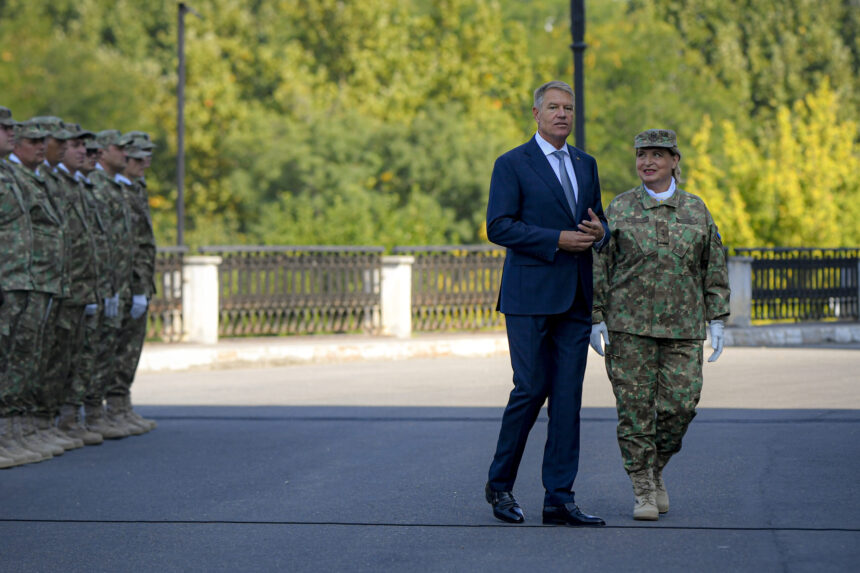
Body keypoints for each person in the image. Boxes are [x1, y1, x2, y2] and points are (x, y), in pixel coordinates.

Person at [484, 80, 610, 527]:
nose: (562, 114)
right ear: (536, 114)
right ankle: (500, 486)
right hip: (529, 297)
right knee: (531, 389)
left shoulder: (586, 164)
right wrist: (556, 239)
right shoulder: (511, 164)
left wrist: (601, 232)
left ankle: (559, 498)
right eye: (554, 107)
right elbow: (499, 226)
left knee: (568, 399)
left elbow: (597, 219)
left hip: (575, 298)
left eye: (568, 108)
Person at [590, 129, 730, 521]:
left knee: (680, 406)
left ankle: (654, 468)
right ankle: (643, 490)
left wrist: (718, 318)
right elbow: (600, 264)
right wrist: (595, 317)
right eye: (642, 155)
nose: (647, 162)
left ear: (674, 161)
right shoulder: (619, 208)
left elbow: (713, 265)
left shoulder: (696, 210)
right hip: (628, 329)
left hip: (684, 328)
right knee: (634, 412)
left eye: (657, 154)